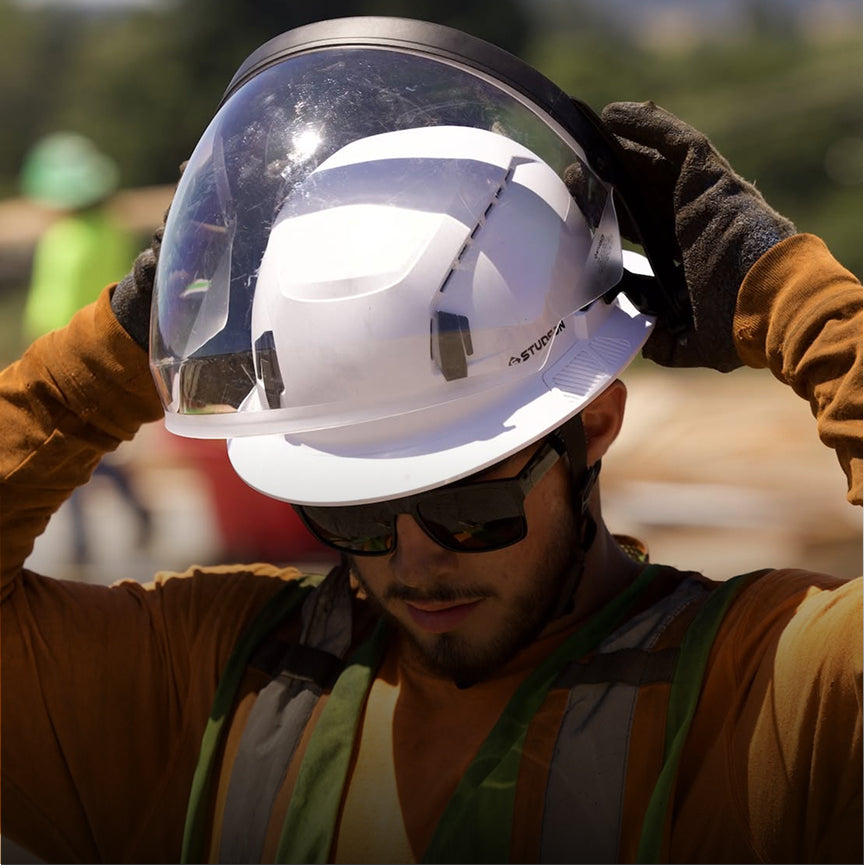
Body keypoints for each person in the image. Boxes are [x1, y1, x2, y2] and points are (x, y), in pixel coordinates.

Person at [1, 18, 860, 865]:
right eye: (357, 511)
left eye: (467, 501)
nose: (412, 558)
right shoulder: (218, 687)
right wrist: (118, 347)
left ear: (593, 426)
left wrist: (790, 297)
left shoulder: (763, 696)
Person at [19, 132, 152, 569]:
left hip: (65, 357)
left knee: (65, 447)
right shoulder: (109, 229)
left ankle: (80, 545)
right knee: (95, 446)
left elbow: (49, 306)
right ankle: (134, 514)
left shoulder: (64, 240)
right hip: (107, 350)